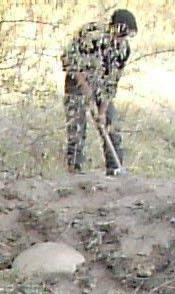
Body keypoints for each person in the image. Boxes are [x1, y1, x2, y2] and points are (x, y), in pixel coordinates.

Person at [63, 9, 137, 176]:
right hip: (77, 81)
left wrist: (102, 112)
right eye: (123, 34)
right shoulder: (91, 34)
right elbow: (69, 59)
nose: (124, 39)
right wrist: (84, 86)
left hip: (101, 87)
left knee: (111, 125)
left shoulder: (123, 50)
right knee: (77, 126)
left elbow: (112, 82)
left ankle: (115, 170)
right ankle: (74, 169)